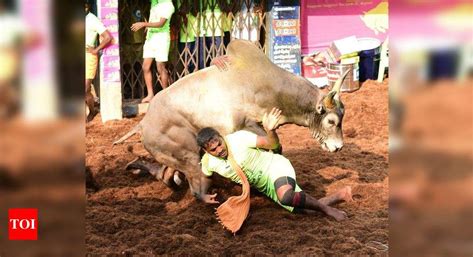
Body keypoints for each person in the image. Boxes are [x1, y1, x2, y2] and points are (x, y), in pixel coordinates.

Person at [196, 108, 352, 221]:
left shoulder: (238, 138)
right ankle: (341, 195)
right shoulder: (208, 162)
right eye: (214, 149)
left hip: (275, 167)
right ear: (206, 150)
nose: (220, 150)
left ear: (221, 137)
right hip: (265, 186)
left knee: (286, 196)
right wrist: (202, 194)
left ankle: (328, 209)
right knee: (304, 210)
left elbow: (271, 144)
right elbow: (205, 176)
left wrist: (270, 131)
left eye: (219, 144)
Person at [131, 0, 175, 103]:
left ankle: (166, 95)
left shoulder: (168, 5)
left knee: (161, 67)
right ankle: (150, 94)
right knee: (145, 67)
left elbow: (161, 24)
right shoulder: (155, 2)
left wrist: (144, 24)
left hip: (162, 39)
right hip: (150, 38)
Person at [85, 2, 112, 122]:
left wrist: (96, 50)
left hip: (88, 56)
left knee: (85, 88)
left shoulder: (92, 19)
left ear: (86, 7)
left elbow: (108, 37)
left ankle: (92, 111)